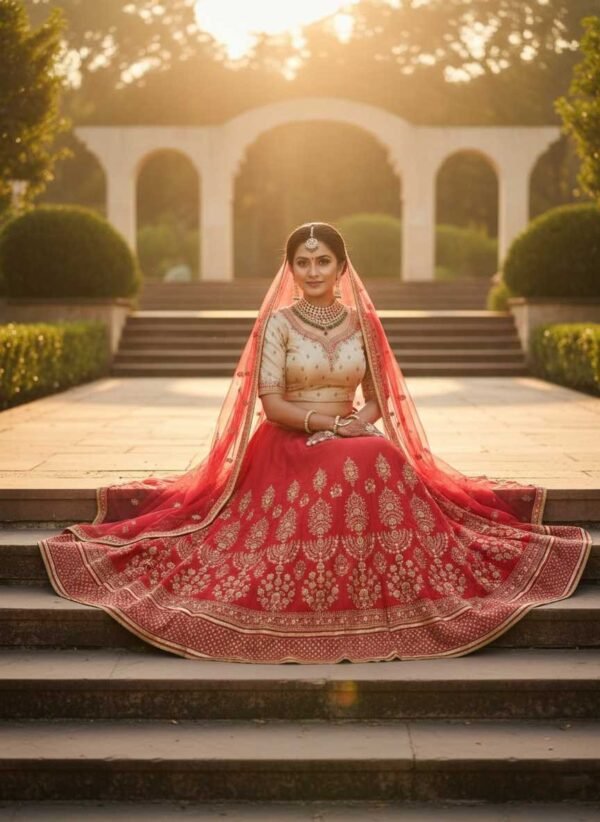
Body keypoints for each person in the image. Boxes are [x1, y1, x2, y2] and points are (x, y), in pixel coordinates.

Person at [39, 221, 592, 664]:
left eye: (322, 261)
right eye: (302, 263)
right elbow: (270, 402)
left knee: (380, 451)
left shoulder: (362, 324)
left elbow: (379, 397)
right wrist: (321, 425)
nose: (312, 271)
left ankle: (386, 578)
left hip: (350, 436)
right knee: (373, 456)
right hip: (286, 441)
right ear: (291, 269)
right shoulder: (278, 324)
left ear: (342, 267)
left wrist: (356, 423)